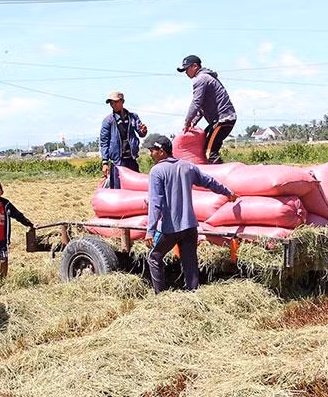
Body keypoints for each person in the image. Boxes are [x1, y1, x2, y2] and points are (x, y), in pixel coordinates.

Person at [143, 135, 237, 294]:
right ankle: (193, 294)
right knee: (190, 262)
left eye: (152, 150)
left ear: (161, 151)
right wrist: (228, 193)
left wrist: (150, 231)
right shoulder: (187, 167)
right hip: (190, 226)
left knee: (154, 257)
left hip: (169, 228)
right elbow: (210, 182)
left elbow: (155, 203)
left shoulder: (157, 171)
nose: (150, 154)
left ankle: (160, 296)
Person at [177, 55, 237, 164]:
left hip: (223, 120)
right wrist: (193, 122)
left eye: (187, 69)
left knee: (209, 152)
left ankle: (221, 177)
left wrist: (187, 122)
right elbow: (201, 107)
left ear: (195, 66)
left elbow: (196, 103)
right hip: (221, 120)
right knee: (205, 142)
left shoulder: (201, 79)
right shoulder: (206, 78)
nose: (185, 72)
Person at [0, 178, 34, 279]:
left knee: (3, 260)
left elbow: (18, 215)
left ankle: (2, 280)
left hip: (2, 240)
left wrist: (29, 224)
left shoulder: (6, 205)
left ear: (2, 192)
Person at [100, 91, 148, 189]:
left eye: (115, 102)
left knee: (135, 186)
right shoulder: (108, 121)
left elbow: (141, 133)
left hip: (131, 158)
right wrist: (105, 162)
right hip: (118, 161)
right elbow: (104, 142)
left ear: (122, 101)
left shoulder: (133, 117)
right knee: (118, 188)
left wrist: (143, 130)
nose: (113, 105)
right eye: (111, 103)